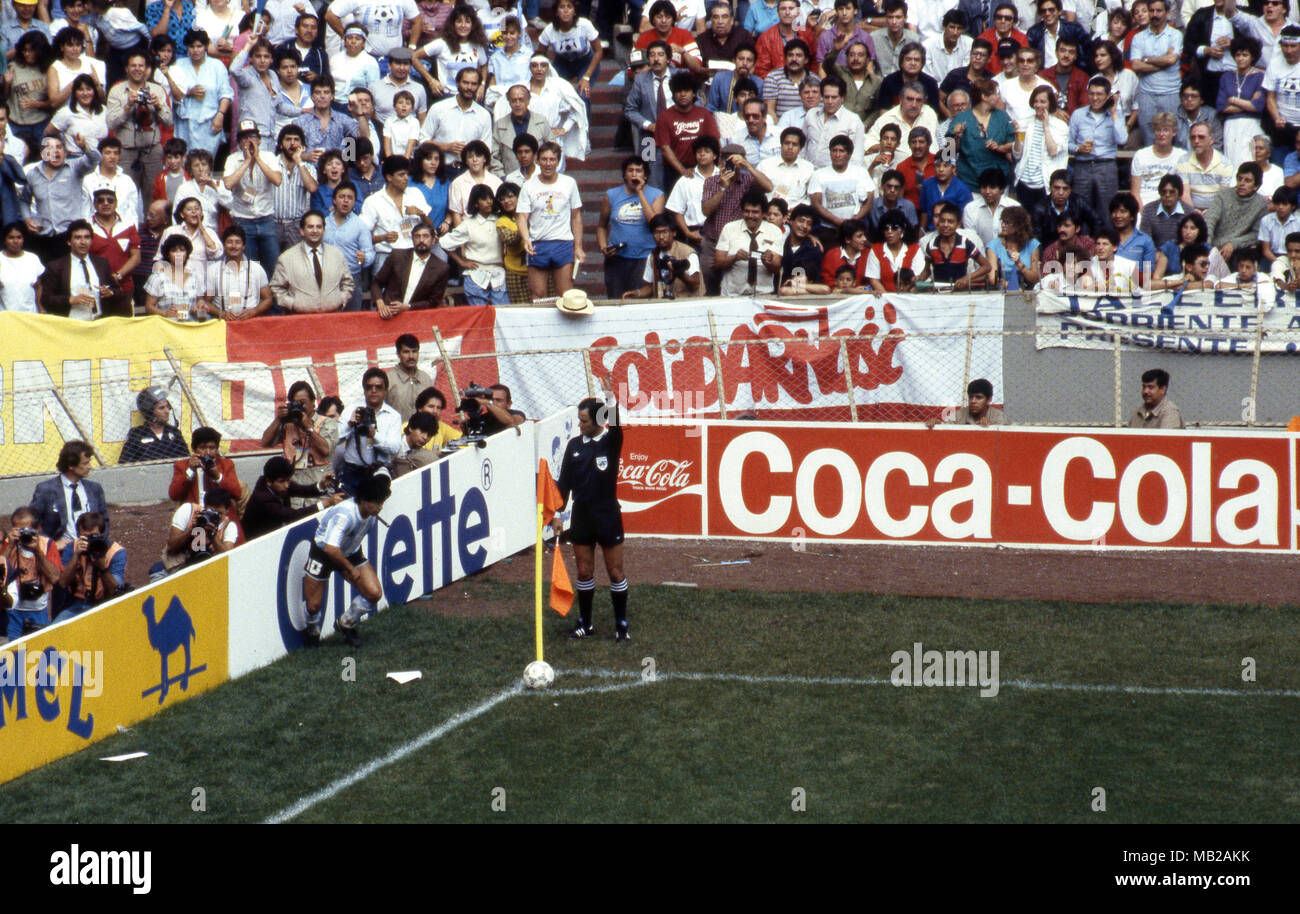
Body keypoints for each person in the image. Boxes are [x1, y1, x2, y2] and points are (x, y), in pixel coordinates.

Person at [551, 393, 630, 642]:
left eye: (584, 420)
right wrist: (556, 513)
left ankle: (621, 624)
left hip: (607, 514)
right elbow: (563, 482)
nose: (580, 425)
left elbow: (616, 425)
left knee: (615, 571)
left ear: (598, 420)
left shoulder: (610, 441)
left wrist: (610, 399)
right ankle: (585, 623)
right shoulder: (574, 445)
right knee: (584, 571)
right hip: (582, 515)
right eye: (579, 420)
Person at [300, 469, 392, 647]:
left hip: (350, 552)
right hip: (323, 553)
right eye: (377, 503)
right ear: (364, 501)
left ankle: (345, 623)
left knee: (374, 593)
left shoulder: (371, 514)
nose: (380, 507)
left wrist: (351, 563)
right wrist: (350, 569)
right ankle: (312, 632)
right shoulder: (345, 514)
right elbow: (331, 548)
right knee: (313, 606)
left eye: (381, 503)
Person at [105, 49, 172, 206]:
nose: (137, 69)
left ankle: (154, 230)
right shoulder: (116, 91)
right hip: (126, 152)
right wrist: (127, 106)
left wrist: (159, 106)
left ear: (147, 68)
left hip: (152, 150)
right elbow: (111, 123)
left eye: (141, 66)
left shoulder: (157, 90)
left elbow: (169, 122)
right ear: (126, 69)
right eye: (133, 66)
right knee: (125, 198)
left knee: (154, 198)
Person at [517, 141, 583, 299]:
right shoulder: (528, 186)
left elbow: (576, 216)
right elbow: (521, 216)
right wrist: (525, 238)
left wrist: (578, 247)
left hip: (563, 243)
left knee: (566, 295)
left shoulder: (569, 183)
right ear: (537, 161)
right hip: (538, 244)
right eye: (544, 159)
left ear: (558, 161)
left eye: (552, 159)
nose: (548, 164)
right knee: (538, 296)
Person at [21, 135, 100, 262]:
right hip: (43, 237)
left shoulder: (75, 168)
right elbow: (24, 200)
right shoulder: (32, 175)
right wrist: (27, 218)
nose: (55, 151)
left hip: (69, 237)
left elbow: (95, 159)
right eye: (50, 148)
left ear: (65, 152)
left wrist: (85, 147)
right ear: (43, 154)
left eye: (59, 147)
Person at [223, 120, 285, 278]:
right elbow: (228, 184)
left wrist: (257, 158)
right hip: (243, 220)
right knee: (248, 268)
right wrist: (247, 162)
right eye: (244, 138)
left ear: (259, 140)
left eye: (252, 137)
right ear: (239, 142)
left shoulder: (269, 157)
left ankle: (274, 302)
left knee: (273, 267)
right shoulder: (232, 159)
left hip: (266, 219)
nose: (248, 141)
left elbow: (277, 180)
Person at [269, 209, 355, 312]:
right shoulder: (287, 258)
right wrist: (293, 304)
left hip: (331, 317)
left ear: (324, 230)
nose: (315, 231)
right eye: (310, 227)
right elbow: (276, 288)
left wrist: (339, 300)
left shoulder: (336, 254)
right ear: (302, 231)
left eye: (319, 227)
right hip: (300, 319)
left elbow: (348, 283)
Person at [335, 368, 404, 496]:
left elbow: (394, 448)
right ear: (364, 389)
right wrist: (350, 425)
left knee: (374, 510)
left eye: (378, 387)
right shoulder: (352, 409)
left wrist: (374, 435)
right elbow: (336, 440)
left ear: (385, 390)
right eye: (369, 387)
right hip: (353, 470)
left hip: (379, 471)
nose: (373, 391)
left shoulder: (393, 416)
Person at [242, 455, 345, 540]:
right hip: (256, 540)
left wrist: (322, 485)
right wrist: (326, 503)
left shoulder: (279, 484)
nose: (287, 485)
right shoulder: (263, 499)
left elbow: (303, 490)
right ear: (269, 481)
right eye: (282, 481)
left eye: (288, 480)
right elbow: (294, 515)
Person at [359, 153, 432, 272]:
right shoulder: (373, 201)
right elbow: (362, 237)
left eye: (407, 174)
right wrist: (383, 237)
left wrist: (421, 213)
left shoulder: (415, 193)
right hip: (386, 253)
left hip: (414, 252)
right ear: (389, 177)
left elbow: (430, 227)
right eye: (401, 175)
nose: (406, 178)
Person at [43, 219, 128, 319]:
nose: (83, 242)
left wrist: (110, 293)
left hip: (99, 322)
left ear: (91, 240)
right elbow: (46, 299)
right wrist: (70, 300)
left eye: (87, 237)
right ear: (69, 242)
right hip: (71, 324)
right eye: (78, 238)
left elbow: (118, 291)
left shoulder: (101, 263)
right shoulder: (56, 266)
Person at [169, 29, 233, 157]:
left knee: (205, 163)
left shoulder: (217, 65)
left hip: (209, 122)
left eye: (199, 46)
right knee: (185, 163)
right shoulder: (178, 65)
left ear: (205, 47)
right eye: (192, 46)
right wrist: (188, 92)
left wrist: (220, 115)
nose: (195, 50)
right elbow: (171, 93)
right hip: (184, 123)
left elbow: (226, 93)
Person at [51, 511, 124, 621]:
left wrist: (103, 567)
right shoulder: (73, 547)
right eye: (85, 537)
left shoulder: (116, 552)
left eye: (93, 536)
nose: (90, 541)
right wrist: (76, 556)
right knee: (55, 632)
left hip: (105, 604)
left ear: (102, 534)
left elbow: (116, 591)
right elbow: (63, 582)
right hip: (77, 604)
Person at [31, 440, 108, 545]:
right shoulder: (46, 489)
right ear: (71, 465)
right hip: (61, 549)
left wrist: (98, 543)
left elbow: (104, 521)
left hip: (91, 548)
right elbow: (32, 521)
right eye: (85, 463)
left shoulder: (94, 488)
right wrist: (51, 545)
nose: (90, 467)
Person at [3, 506, 62, 640]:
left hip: (38, 610)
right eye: (19, 530)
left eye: (26, 530)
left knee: (40, 649)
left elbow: (55, 577)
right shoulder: (8, 543)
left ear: (38, 528)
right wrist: (10, 546)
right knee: (14, 651)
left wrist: (37, 551)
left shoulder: (47, 544)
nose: (23, 534)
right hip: (13, 611)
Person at [370, 221, 450, 315]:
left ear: (433, 240)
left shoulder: (441, 268)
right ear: (412, 239)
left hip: (416, 318)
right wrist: (380, 303)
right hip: (388, 315)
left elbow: (433, 301)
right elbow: (376, 283)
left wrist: (408, 307)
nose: (421, 240)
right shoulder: (397, 256)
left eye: (425, 236)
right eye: (417, 236)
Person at [1012, 84, 1067, 217]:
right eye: (1036, 101)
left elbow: (1053, 151)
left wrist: (1045, 126)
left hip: (1045, 184)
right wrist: (1017, 135)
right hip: (1024, 182)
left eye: (1042, 102)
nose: (1038, 105)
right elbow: (1017, 154)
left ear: (1050, 104)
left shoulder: (1060, 126)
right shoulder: (1025, 122)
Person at [714, 189, 783, 293]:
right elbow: (718, 264)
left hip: (763, 294)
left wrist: (768, 261)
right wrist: (734, 258)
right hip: (732, 294)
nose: (750, 216)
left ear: (764, 213)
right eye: (747, 211)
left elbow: (777, 268)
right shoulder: (729, 228)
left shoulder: (774, 231)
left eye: (755, 212)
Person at [201, 224, 274, 318]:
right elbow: (207, 301)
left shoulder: (256, 268)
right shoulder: (213, 270)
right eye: (229, 242)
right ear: (224, 245)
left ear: (243, 246)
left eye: (238, 242)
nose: (234, 246)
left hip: (251, 323)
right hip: (223, 324)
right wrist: (221, 314)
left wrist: (254, 311)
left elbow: (268, 299)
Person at [162, 487, 240, 572]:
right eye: (211, 511)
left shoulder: (229, 526)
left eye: (219, 513)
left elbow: (228, 557)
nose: (215, 516)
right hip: (179, 567)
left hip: (210, 570)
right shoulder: (188, 510)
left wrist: (213, 536)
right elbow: (171, 547)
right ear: (205, 506)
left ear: (227, 510)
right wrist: (192, 530)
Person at [624, 212, 702, 298]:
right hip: (662, 304)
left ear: (674, 233)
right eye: (657, 233)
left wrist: (679, 273)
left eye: (665, 232)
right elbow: (651, 286)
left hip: (684, 303)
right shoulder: (653, 255)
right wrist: (636, 293)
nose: (661, 237)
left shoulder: (687, 253)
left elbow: (695, 284)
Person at [169, 425, 242, 515]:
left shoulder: (226, 464)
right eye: (202, 448)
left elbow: (237, 494)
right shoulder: (182, 465)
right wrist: (190, 471)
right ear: (194, 449)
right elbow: (174, 495)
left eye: (212, 448)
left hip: (220, 515)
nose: (207, 452)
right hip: (195, 515)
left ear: (217, 449)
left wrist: (218, 476)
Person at [1206, 162, 1269, 260]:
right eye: (1239, 179)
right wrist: (1207, 245)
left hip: (1240, 249)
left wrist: (1233, 244)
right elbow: (1210, 220)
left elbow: (1256, 234)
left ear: (1256, 186)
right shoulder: (1223, 195)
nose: (1241, 183)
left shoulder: (1261, 203)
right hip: (1214, 245)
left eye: (1247, 181)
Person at [921, 201, 991, 288]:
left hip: (960, 294)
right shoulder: (931, 245)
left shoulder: (965, 244)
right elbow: (926, 271)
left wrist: (967, 278)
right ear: (938, 222)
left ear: (958, 224)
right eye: (942, 221)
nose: (945, 225)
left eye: (950, 222)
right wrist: (918, 279)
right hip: (939, 294)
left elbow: (987, 266)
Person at [490, 85, 552, 178]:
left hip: (538, 179)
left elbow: (552, 151)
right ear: (509, 102)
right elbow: (494, 158)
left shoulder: (541, 122)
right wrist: (503, 179)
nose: (517, 104)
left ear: (528, 101)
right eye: (514, 100)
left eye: (521, 100)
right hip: (510, 181)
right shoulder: (500, 125)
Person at [1178, 121, 1236, 214]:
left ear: (1211, 140)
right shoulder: (1183, 161)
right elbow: (1185, 194)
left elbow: (1223, 197)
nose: (1196, 141)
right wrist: (1192, 212)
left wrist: (1211, 213)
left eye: (1201, 137)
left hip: (1217, 211)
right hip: (1190, 210)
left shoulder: (1225, 164)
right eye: (1193, 138)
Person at [121, 385, 190, 463]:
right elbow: (124, 464)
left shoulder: (174, 432)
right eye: (161, 408)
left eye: (167, 407)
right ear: (150, 412)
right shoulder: (137, 434)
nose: (167, 411)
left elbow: (186, 460)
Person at [145, 233, 207, 319]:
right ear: (167, 254)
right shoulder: (157, 278)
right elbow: (149, 307)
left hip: (191, 327)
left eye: (182, 250)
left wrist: (201, 305)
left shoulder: (195, 277)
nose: (178, 254)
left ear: (187, 253)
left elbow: (200, 301)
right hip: (167, 327)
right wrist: (164, 313)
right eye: (174, 250)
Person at [986, 204, 1041, 289]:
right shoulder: (993, 245)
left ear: (1019, 225)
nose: (1003, 225)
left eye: (1008, 223)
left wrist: (1019, 263)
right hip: (1002, 292)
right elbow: (993, 279)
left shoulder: (1032, 244)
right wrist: (1013, 287)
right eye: (1003, 221)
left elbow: (1035, 279)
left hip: (1028, 292)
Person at [386, 333, 434, 422]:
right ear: (398, 354)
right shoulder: (388, 379)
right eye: (406, 352)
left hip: (423, 433)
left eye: (414, 351)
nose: (411, 356)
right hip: (396, 433)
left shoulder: (425, 379)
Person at [925, 377, 1007, 428]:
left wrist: (990, 427)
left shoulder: (998, 417)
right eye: (971, 397)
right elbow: (945, 433)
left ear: (989, 399)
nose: (973, 401)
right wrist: (937, 424)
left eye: (978, 398)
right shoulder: (957, 415)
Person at [0, 223, 44, 313]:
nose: (15, 241)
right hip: (5, 316)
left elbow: (38, 287)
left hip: (30, 314)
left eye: (19, 237)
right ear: (5, 240)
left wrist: (40, 307)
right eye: (11, 238)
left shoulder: (32, 258)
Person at [1139, 174, 1190, 251]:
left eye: (1172, 192)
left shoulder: (1188, 212)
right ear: (1159, 192)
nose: (1167, 195)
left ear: (1179, 194)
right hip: (1153, 255)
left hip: (1180, 255)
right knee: (1145, 260)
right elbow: (1145, 241)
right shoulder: (1148, 210)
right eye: (1164, 192)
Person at [389, 411, 442, 477]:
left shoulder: (424, 455)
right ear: (411, 428)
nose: (425, 437)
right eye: (422, 431)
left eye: (429, 435)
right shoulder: (393, 444)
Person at [1258, 186, 1300, 265]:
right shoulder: (1266, 220)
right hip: (1271, 257)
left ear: (1293, 206)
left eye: (1285, 204)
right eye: (1277, 204)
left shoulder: (1298, 222)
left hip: (1293, 256)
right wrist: (1278, 263)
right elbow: (1266, 250)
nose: (1280, 207)